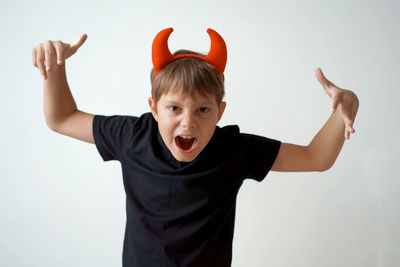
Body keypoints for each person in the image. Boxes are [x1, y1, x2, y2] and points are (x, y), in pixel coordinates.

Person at [32, 27, 359, 267]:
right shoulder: (132, 136)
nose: (188, 123)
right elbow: (61, 118)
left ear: (220, 112)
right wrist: (54, 66)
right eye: (174, 108)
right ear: (154, 107)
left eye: (203, 110)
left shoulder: (233, 150)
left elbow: (315, 157)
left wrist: (348, 103)